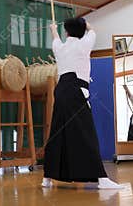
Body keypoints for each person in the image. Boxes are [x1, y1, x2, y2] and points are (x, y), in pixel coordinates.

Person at [42, 18, 123, 189]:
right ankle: (101, 179)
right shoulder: (84, 44)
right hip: (76, 90)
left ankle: (47, 178)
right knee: (87, 133)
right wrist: (84, 26)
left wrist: (53, 28)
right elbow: (92, 30)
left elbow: (56, 38)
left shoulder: (60, 47)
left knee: (58, 131)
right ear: (82, 30)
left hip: (61, 90)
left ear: (66, 32)